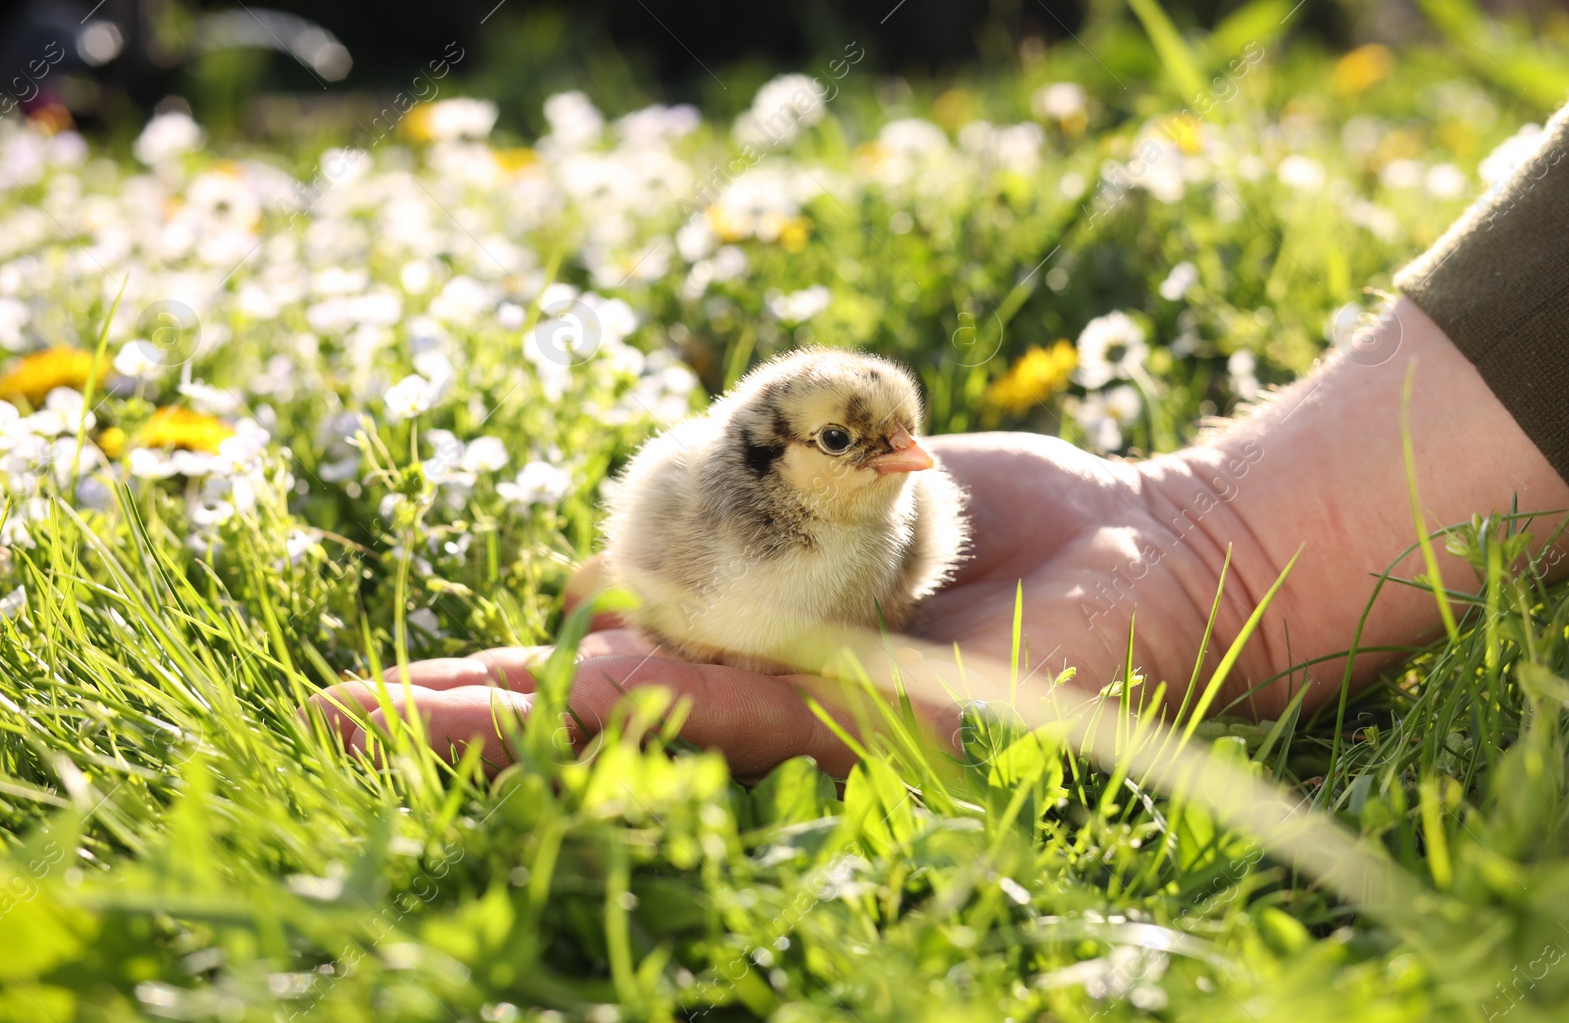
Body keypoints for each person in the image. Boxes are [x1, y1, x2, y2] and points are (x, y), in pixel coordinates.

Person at [309, 107, 1569, 779]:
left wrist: (1214, 555)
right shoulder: (715, 516)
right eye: (862, 445)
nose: (911, 463)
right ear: (767, 458)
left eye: (901, 440)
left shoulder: (901, 528)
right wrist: (1212, 539)